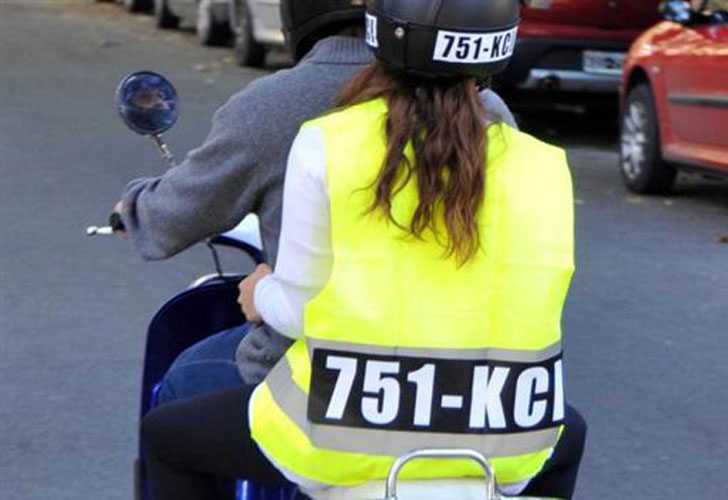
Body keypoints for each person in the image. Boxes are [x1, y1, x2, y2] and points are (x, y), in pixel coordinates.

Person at [140, 1, 586, 499]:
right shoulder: (540, 163)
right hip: (500, 429)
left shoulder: (329, 143)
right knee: (570, 436)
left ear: (384, 32)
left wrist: (261, 291)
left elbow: (300, 311)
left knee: (166, 437)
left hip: (341, 429)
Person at [116, 0, 517, 401]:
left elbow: (175, 217)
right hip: (468, 374)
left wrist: (264, 290)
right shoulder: (484, 111)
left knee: (178, 389)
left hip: (315, 375)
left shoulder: (280, 110)